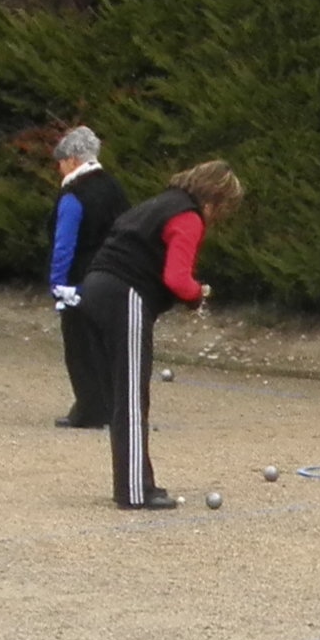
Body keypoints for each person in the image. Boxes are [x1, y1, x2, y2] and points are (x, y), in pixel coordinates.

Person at [78, 160, 244, 510]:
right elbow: (176, 278)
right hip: (126, 295)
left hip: (93, 288)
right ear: (215, 199)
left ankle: (133, 483)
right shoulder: (188, 217)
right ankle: (135, 491)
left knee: (118, 396)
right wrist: (199, 294)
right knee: (132, 398)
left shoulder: (157, 204)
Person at [47, 126, 129, 429]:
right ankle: (115, 406)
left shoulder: (74, 194)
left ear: (71, 160)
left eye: (60, 162)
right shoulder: (114, 187)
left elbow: (64, 243)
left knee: (80, 345)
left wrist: (57, 283)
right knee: (109, 343)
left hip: (80, 277)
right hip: (114, 273)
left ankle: (90, 409)